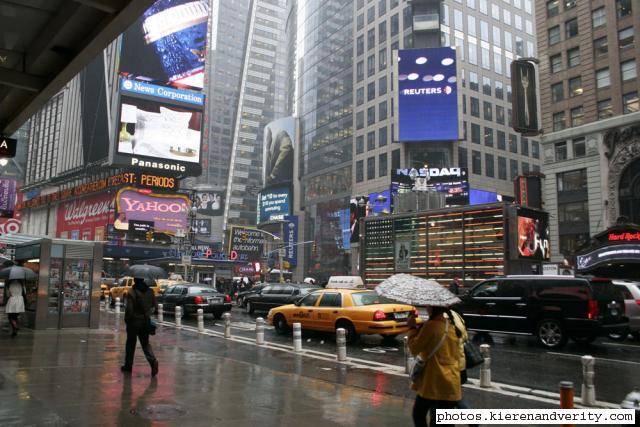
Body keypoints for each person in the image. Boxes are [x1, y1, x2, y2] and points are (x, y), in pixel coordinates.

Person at [407, 305, 466, 427]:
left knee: (418, 414)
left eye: (428, 306)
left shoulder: (431, 326)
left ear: (433, 309)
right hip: (451, 379)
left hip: (433, 380)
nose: (427, 308)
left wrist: (412, 328)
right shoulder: (451, 325)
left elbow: (414, 348)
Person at [122, 276, 158, 376]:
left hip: (133, 323)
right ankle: (153, 361)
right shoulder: (150, 291)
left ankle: (128, 366)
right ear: (143, 280)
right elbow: (155, 306)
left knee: (130, 345)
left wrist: (127, 320)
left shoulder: (131, 292)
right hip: (145, 322)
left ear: (134, 280)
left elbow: (129, 310)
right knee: (145, 344)